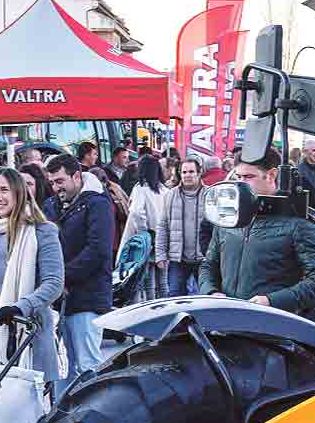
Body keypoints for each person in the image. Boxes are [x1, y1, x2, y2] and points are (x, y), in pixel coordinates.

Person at [199, 148, 315, 324]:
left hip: (272, 332)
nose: (240, 184)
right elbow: (208, 264)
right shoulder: (229, 220)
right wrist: (211, 292)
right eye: (238, 177)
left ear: (271, 175)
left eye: (248, 177)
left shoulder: (297, 225)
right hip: (226, 326)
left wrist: (272, 301)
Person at [0, 168, 65, 383]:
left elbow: (54, 283)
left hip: (25, 333)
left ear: (19, 193)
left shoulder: (41, 231)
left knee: (23, 410)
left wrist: (22, 307)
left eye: (4, 190)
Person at [42, 155, 115, 390]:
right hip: (58, 299)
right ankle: (60, 420)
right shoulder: (50, 205)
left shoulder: (99, 204)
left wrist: (60, 277)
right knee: (61, 368)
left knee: (87, 366)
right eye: (52, 182)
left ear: (77, 176)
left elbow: (98, 251)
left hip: (87, 299)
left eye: (60, 181)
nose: (56, 187)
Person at [119, 155, 171, 303]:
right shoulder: (165, 191)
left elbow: (136, 212)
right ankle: (166, 310)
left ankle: (151, 312)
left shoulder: (140, 189)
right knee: (163, 281)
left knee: (147, 282)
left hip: (147, 240)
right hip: (162, 240)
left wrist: (144, 231)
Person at [160, 157, 213, 298]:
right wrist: (160, 255)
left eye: (191, 171)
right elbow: (163, 225)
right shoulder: (170, 195)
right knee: (175, 297)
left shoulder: (210, 195)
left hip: (204, 260)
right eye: (184, 172)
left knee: (206, 299)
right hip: (178, 259)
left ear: (199, 173)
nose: (187, 175)